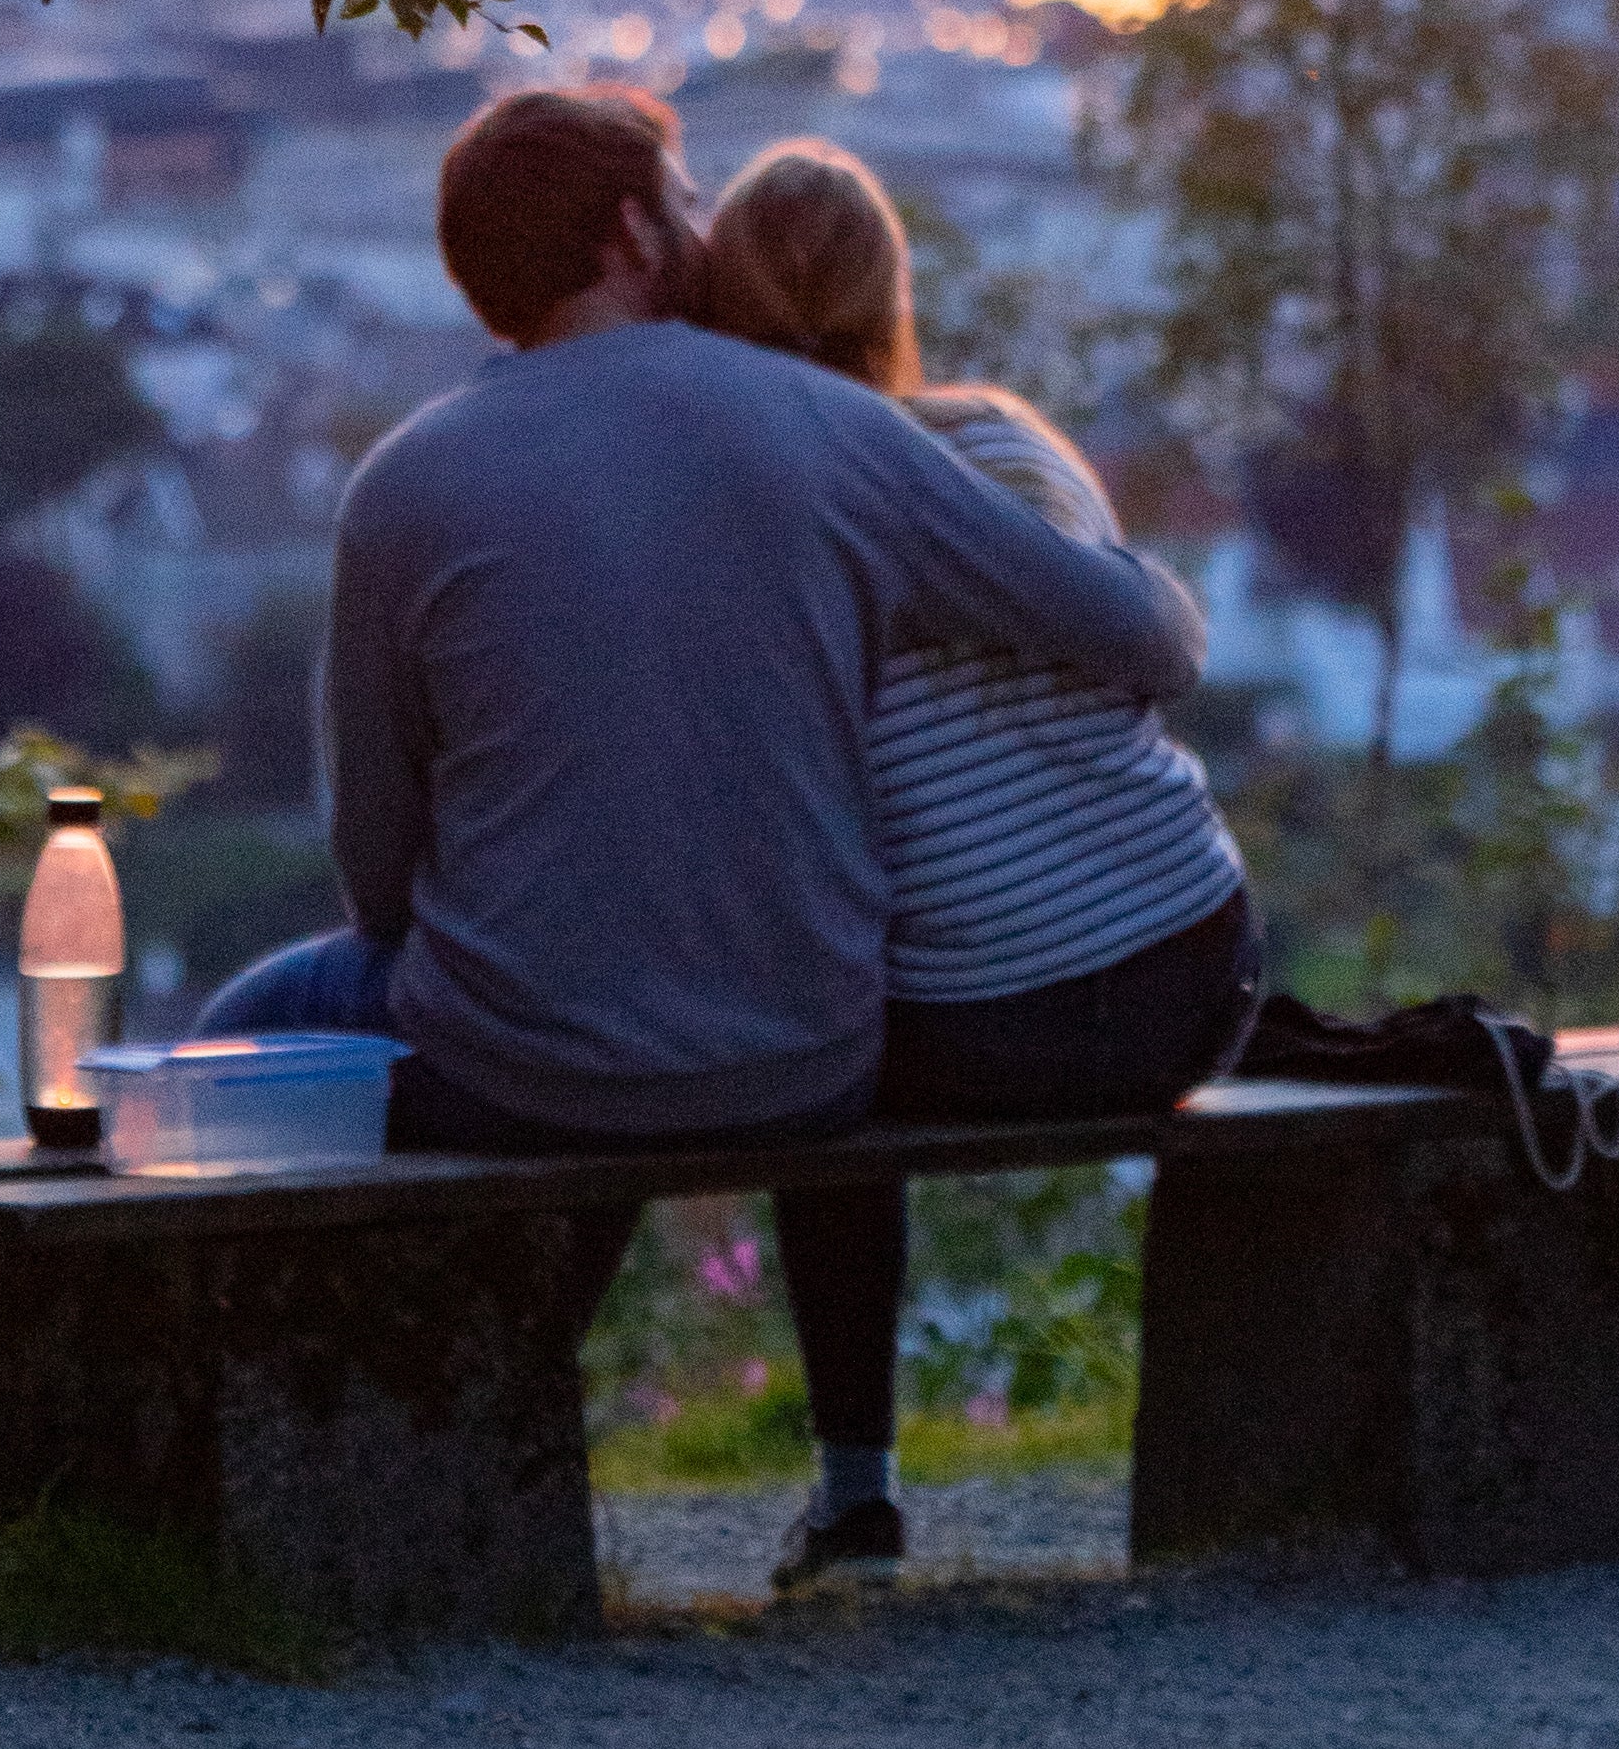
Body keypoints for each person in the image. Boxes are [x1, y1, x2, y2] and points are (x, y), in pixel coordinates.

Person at [197, 85, 1209, 1419]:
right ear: (629, 233)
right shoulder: (826, 425)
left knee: (234, 1039)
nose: (699, 230)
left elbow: (377, 877)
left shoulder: (402, 487)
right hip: (804, 1062)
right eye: (682, 202)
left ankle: (282, 1431)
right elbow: (1131, 633)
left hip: (519, 1070)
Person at [702, 138, 1257, 1590]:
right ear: (895, 299)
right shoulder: (1011, 446)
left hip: (981, 1026)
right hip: (1192, 960)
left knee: (814, 1064)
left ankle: (854, 1490)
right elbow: (1139, 670)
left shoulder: (765, 535)